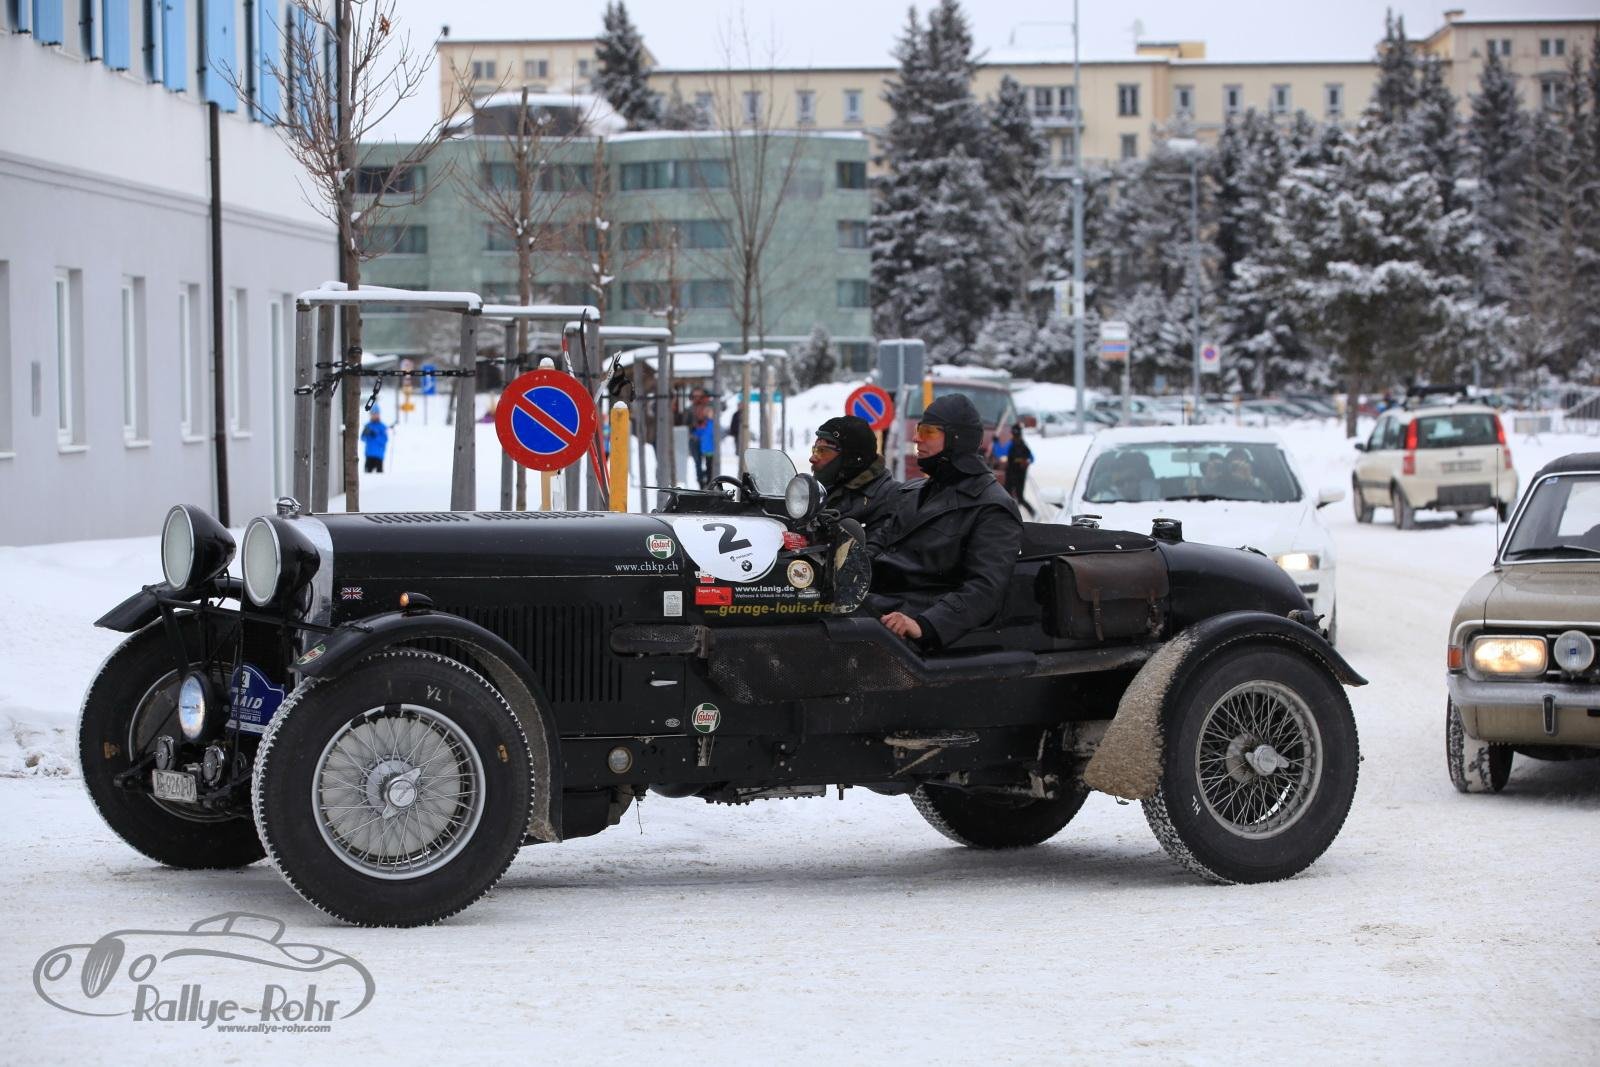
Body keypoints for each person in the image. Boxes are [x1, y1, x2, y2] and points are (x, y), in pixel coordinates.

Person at [866, 393, 1022, 652]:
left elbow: (985, 589)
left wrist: (925, 625)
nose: (917, 438)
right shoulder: (914, 492)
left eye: (928, 432)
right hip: (872, 608)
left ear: (956, 438)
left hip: (914, 627)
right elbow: (875, 546)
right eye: (918, 430)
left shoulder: (992, 506)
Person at [809, 415, 899, 530]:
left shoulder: (888, 500)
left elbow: (877, 540)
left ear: (850, 458)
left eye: (823, 451)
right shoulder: (821, 490)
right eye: (815, 450)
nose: (812, 458)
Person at [1002, 422, 1035, 517]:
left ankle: (1030, 513)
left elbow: (1000, 452)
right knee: (1016, 497)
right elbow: (1032, 459)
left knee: (1009, 496)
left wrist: (995, 443)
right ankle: (1031, 513)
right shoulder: (1023, 445)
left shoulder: (1013, 445)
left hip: (1014, 475)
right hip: (1018, 475)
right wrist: (1027, 462)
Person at [689, 389, 715, 488]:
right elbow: (697, 431)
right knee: (699, 464)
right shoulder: (691, 410)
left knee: (709, 465)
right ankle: (702, 482)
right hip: (701, 444)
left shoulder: (710, 420)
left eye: (700, 396)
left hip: (708, 447)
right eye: (695, 396)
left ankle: (708, 482)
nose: (697, 398)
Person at [360, 409, 390, 474]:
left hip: (379, 455)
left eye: (376, 414)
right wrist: (365, 433)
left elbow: (385, 440)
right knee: (367, 475)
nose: (374, 416)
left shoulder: (382, 426)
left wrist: (375, 435)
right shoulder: (367, 425)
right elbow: (362, 439)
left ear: (379, 415)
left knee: (379, 476)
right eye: (372, 414)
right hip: (369, 454)